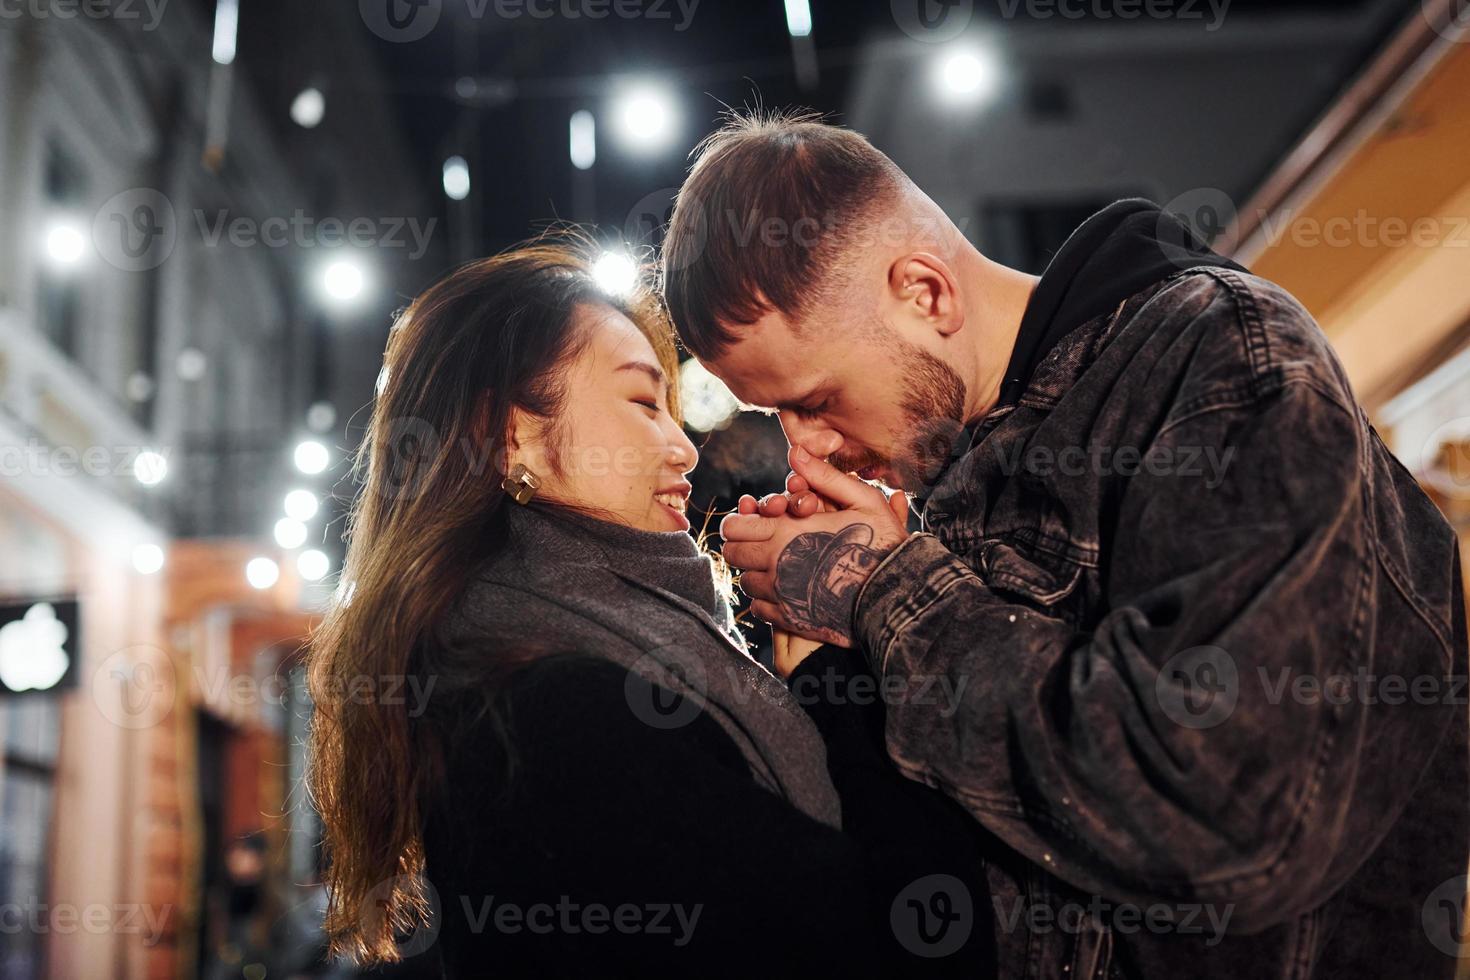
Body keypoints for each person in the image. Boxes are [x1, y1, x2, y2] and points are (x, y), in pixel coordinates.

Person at [662, 110, 1469, 978]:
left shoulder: (1218, 359)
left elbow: (1232, 811)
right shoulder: (963, 486)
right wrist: (840, 651)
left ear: (925, 291)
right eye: (777, 416)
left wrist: (885, 593)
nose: (806, 448)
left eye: (815, 402)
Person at [305, 240, 993, 978]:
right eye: (643, 402)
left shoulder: (529, 661)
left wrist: (817, 654)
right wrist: (843, 656)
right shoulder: (558, 713)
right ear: (511, 437)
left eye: (673, 408)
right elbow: (919, 942)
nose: (685, 449)